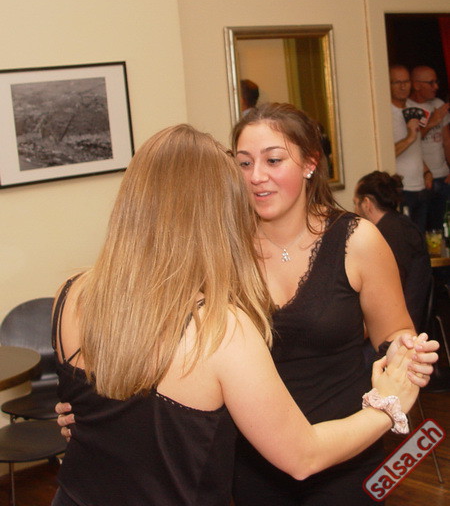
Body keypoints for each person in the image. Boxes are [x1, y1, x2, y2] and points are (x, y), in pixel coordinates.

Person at [51, 124, 427, 506]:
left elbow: (133, 411)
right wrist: (387, 406)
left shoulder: (70, 294)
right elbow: (303, 456)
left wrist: (89, 417)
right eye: (243, 168)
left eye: (273, 160)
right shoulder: (222, 329)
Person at [229, 103, 438, 506]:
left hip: (347, 454)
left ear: (310, 163)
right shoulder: (224, 248)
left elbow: (394, 332)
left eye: (273, 160)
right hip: (252, 461)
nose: (256, 176)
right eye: (244, 163)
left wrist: (406, 352)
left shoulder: (357, 240)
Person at [353, 171, 431, 330]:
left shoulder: (384, 235)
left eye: (355, 203)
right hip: (410, 321)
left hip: (399, 329)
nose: (354, 210)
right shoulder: (403, 225)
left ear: (367, 203)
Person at [390, 64, 430, 231]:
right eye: (397, 82)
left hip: (421, 185)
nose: (403, 86)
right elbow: (386, 153)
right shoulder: (384, 113)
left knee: (421, 239)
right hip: (401, 189)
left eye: (406, 81)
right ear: (388, 84)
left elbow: (417, 148)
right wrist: (410, 137)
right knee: (404, 240)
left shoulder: (415, 109)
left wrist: (426, 171)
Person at [409, 65, 450, 230]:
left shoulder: (438, 104)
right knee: (421, 230)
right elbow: (411, 141)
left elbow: (447, 140)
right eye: (431, 83)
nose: (436, 87)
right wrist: (432, 122)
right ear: (416, 85)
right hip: (422, 180)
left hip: (443, 177)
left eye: (436, 82)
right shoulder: (407, 107)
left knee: (443, 229)